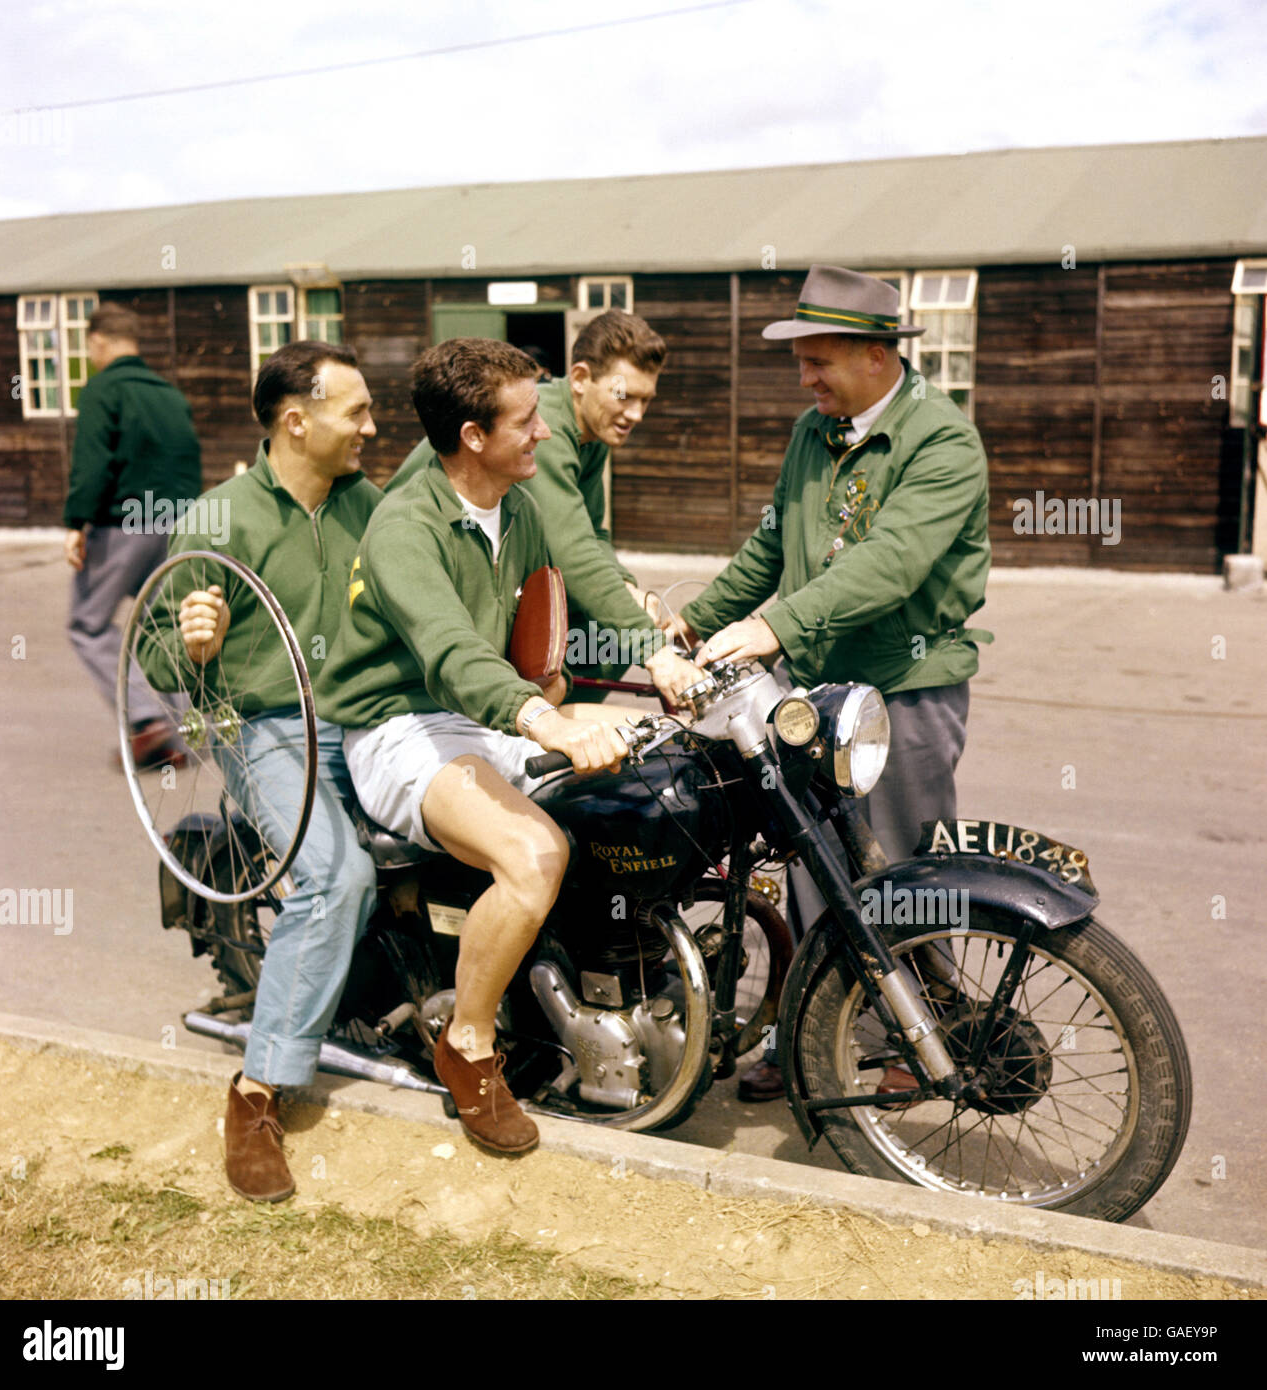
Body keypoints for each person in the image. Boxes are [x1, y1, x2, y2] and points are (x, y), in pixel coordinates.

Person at [323, 338, 696, 1155]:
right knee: (533, 853)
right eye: (527, 421)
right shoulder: (403, 528)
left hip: (484, 717)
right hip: (400, 728)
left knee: (639, 794)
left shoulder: (518, 506)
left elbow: (578, 584)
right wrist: (549, 722)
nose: (547, 433)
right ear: (473, 436)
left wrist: (654, 653)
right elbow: (453, 653)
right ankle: (469, 1048)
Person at [673, 266, 992, 1101]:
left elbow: (891, 564)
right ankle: (811, 1033)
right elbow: (770, 548)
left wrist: (774, 628)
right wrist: (696, 622)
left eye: (820, 361)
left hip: (902, 690)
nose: (805, 378)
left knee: (898, 873)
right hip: (814, 697)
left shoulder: (943, 443)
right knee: (813, 867)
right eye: (801, 361)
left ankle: (908, 1045)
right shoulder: (814, 432)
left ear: (879, 354)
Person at [160, 340, 382, 1199]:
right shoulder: (221, 521)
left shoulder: (373, 505)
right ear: (298, 421)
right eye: (355, 411)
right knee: (335, 874)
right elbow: (153, 650)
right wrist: (191, 641)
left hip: (368, 721)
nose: (371, 425)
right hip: (262, 725)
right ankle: (258, 1091)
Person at [387, 311, 694, 702]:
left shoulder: (592, 432)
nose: (635, 413)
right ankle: (558, 742)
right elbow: (573, 553)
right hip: (433, 558)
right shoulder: (544, 427)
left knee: (608, 637)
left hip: (483, 553)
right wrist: (655, 651)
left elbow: (592, 533)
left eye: (645, 399)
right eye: (624, 396)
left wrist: (628, 588)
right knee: (601, 639)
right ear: (580, 379)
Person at [63, 303, 201, 767]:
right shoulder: (169, 393)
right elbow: (187, 458)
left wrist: (75, 522)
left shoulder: (103, 389)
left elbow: (92, 464)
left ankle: (147, 720)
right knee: (161, 627)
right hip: (175, 523)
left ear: (98, 341)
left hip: (123, 525)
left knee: (88, 623)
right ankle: (181, 734)